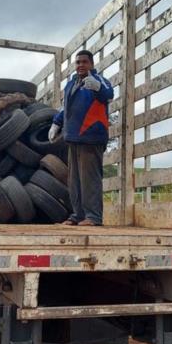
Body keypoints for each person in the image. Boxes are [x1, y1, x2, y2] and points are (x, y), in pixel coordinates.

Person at [49, 50, 113, 226]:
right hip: (73, 137)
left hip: (91, 137)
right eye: (78, 62)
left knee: (90, 179)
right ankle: (77, 215)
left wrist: (97, 87)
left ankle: (93, 217)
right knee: (75, 181)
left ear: (91, 64)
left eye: (84, 62)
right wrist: (56, 123)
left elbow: (109, 94)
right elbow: (65, 107)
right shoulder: (71, 84)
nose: (81, 65)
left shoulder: (98, 80)